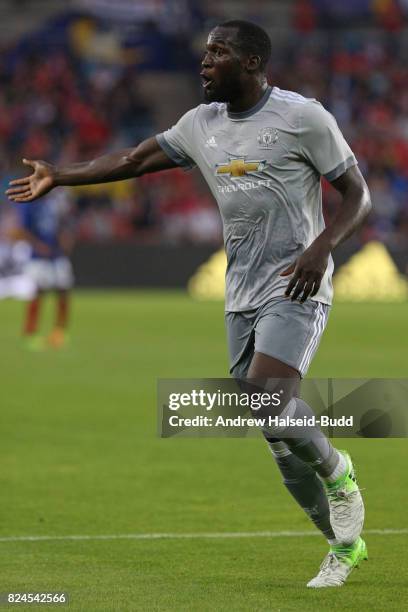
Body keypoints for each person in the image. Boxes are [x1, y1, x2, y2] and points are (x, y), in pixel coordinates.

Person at [6, 20, 371, 587]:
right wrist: (61, 175)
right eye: (204, 54)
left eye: (218, 53)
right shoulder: (201, 124)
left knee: (266, 397)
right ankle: (342, 547)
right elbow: (131, 160)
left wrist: (322, 248)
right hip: (240, 293)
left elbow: (358, 194)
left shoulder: (304, 117)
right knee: (274, 438)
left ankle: (340, 473)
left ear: (251, 62)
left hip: (296, 281)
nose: (204, 63)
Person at [14, 191, 74, 350]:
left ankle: (59, 331)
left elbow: (61, 225)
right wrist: (37, 245)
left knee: (64, 291)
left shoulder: (53, 204)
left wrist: (64, 240)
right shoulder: (29, 206)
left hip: (56, 255)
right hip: (38, 258)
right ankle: (31, 332)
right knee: (37, 293)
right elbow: (22, 230)